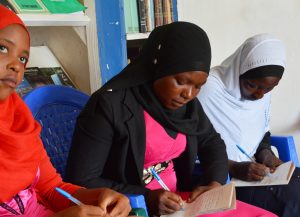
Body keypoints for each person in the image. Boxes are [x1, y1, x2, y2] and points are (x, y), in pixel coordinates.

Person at [65, 22, 277, 216]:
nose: (189, 94)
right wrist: (146, 198)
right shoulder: (109, 105)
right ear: (158, 66)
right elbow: (82, 180)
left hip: (182, 203)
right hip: (131, 207)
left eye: (198, 86)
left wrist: (214, 182)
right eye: (181, 81)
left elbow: (211, 142)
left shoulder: (187, 107)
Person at [0, 5, 131, 217]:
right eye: (3, 48)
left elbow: (51, 189)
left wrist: (97, 197)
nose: (16, 65)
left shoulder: (20, 122)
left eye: (23, 58)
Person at [198, 33, 300, 217]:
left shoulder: (262, 93)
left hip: (255, 174)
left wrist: (267, 156)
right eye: (252, 85)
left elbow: (261, 136)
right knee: (294, 200)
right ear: (239, 70)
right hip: (221, 180)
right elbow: (193, 149)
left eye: (268, 89)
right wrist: (235, 167)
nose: (260, 95)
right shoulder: (207, 90)